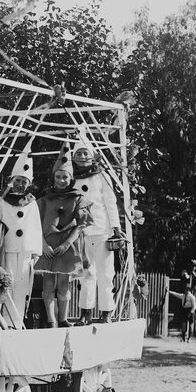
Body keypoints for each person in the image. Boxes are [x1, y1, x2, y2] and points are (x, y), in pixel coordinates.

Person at [0, 143, 41, 327]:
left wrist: (36, 251)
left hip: (25, 250)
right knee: (6, 284)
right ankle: (4, 322)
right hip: (7, 248)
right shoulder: (1, 199)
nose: (20, 184)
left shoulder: (31, 203)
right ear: (11, 180)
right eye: (17, 180)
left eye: (24, 181)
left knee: (22, 286)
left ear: (28, 184)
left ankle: (17, 322)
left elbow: (35, 227)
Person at [34, 146, 91, 328]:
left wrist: (67, 243)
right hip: (48, 246)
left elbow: (81, 224)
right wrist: (43, 245)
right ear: (53, 178)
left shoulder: (78, 199)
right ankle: (51, 320)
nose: (61, 180)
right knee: (48, 284)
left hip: (66, 247)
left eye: (65, 177)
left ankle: (63, 318)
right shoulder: (43, 200)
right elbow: (35, 224)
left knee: (64, 284)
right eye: (58, 177)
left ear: (71, 178)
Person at [71, 126, 122, 324]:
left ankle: (107, 312)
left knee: (106, 273)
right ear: (74, 158)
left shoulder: (102, 176)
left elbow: (110, 202)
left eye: (85, 153)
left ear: (92, 156)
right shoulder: (71, 179)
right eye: (79, 154)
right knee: (86, 273)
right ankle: (85, 313)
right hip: (81, 232)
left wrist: (116, 228)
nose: (83, 157)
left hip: (102, 230)